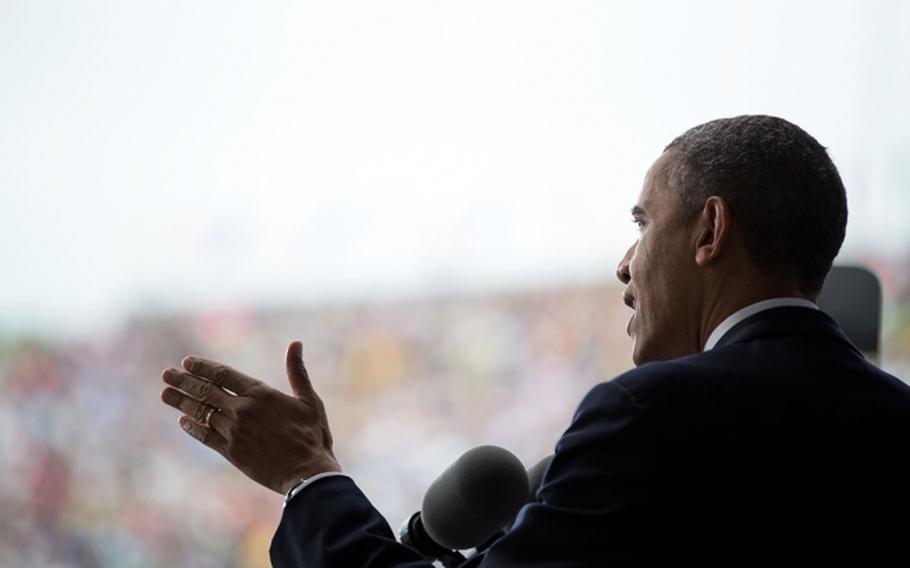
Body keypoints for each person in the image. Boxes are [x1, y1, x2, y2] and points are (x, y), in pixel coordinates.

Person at [160, 115, 910, 566]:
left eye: (643, 224)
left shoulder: (649, 417)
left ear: (710, 231)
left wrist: (306, 475)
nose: (624, 261)